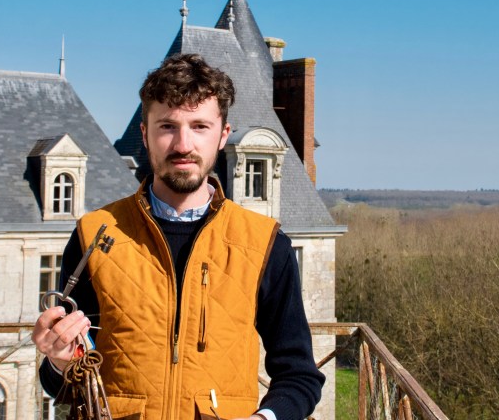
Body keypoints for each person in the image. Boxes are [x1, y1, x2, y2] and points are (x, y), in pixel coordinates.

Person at [34, 53, 324, 420]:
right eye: (167, 126)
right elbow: (63, 380)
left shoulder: (265, 243)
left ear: (223, 135)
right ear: (145, 135)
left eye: (200, 126)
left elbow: (299, 376)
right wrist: (57, 362)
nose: (183, 144)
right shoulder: (95, 234)